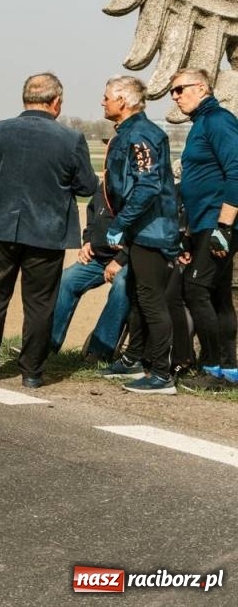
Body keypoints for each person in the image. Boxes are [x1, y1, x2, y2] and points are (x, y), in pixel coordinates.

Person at [0, 73, 97, 388]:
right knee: (39, 303)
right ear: (56, 102)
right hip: (47, 232)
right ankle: (32, 371)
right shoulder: (70, 139)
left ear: (25, 98)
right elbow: (87, 185)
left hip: (0, 228)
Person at [89, 76, 183, 395]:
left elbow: (148, 185)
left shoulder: (142, 133)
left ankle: (161, 373)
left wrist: (120, 224)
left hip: (152, 230)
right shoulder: (130, 131)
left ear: (124, 101)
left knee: (150, 299)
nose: (102, 102)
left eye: (107, 97)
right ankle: (133, 359)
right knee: (135, 293)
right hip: (140, 229)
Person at [168, 68, 238, 391]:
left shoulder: (218, 121)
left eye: (180, 89)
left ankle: (212, 367)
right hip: (202, 224)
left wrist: (224, 226)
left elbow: (237, 171)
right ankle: (229, 370)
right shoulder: (200, 124)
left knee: (196, 290)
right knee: (218, 295)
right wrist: (188, 233)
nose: (175, 96)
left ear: (201, 88)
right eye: (173, 91)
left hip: (218, 222)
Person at [49, 157, 131, 364]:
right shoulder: (104, 185)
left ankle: (99, 351)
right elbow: (92, 214)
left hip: (127, 259)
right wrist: (87, 242)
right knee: (67, 280)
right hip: (98, 256)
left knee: (122, 286)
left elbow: (141, 230)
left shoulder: (137, 186)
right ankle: (47, 344)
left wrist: (120, 260)